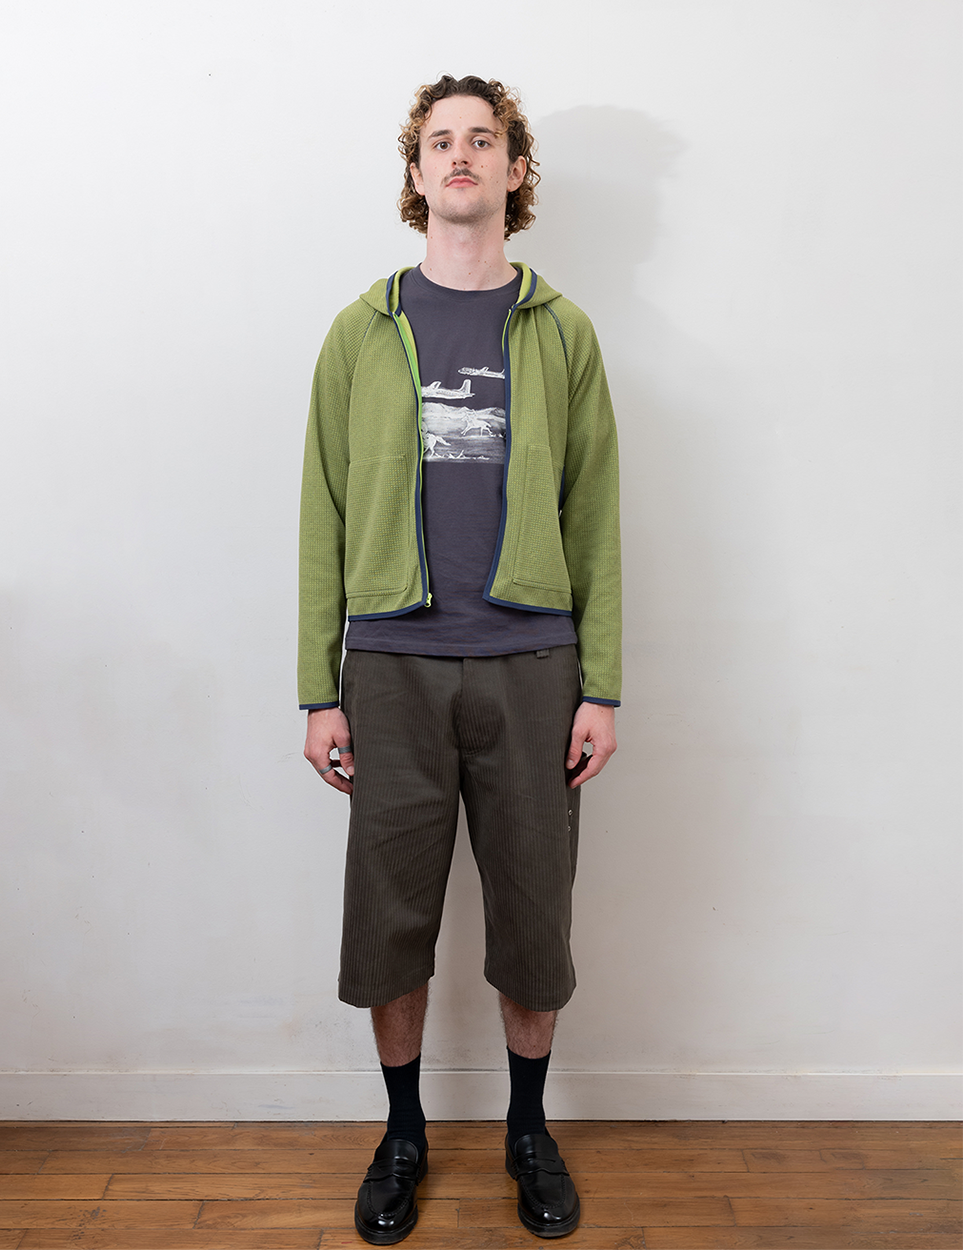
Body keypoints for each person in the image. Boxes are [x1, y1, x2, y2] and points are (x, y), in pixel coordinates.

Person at [299, 74, 621, 1244]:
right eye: (440, 140)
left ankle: (528, 1130)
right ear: (416, 171)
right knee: (390, 920)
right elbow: (322, 516)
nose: (461, 155)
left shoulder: (561, 330)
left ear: (515, 170)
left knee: (533, 919)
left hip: (533, 663)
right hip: (390, 667)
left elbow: (594, 517)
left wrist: (600, 683)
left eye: (483, 139)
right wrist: (317, 689)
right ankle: (403, 1133)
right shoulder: (360, 329)